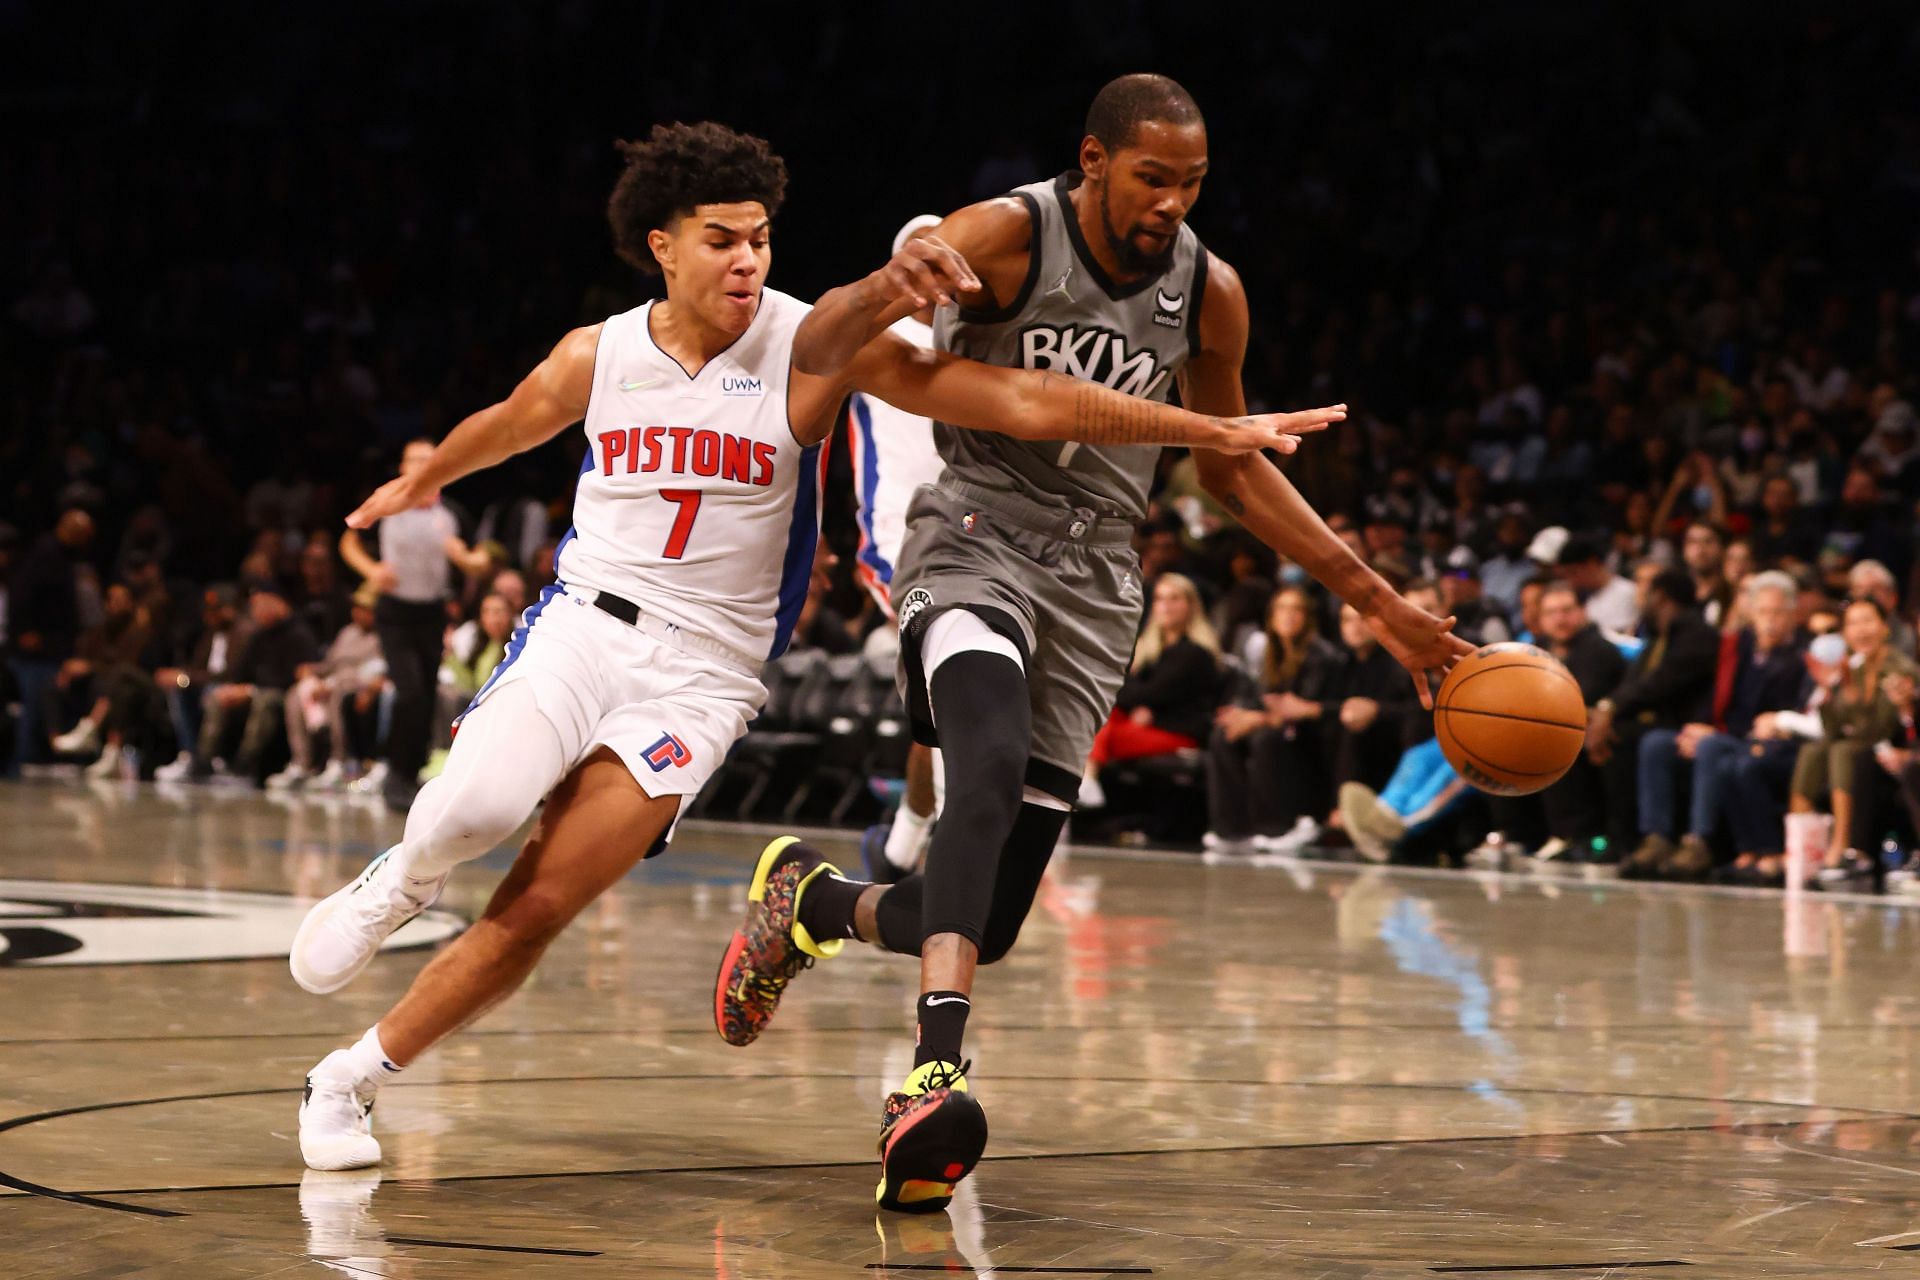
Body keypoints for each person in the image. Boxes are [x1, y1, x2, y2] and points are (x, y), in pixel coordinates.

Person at [286, 120, 1311, 1178]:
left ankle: (349, 1077)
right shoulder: (602, 352)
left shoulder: (813, 343)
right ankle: (401, 877)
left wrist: (1199, 429)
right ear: (661, 246)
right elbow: (507, 422)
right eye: (721, 240)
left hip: (705, 675)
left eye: (762, 239)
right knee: (476, 809)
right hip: (586, 622)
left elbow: (1012, 397)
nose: (747, 261)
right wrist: (425, 480)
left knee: (544, 899)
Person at [710, 75, 1467, 1215]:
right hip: (973, 533)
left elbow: (1231, 466)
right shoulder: (1009, 233)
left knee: (986, 917)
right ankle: (934, 1074)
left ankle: (812, 904)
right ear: (1095, 160)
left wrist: (1378, 598)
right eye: (1152, 177)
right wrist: (879, 289)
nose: (1171, 202)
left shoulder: (1210, 293)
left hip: (1102, 575)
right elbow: (823, 349)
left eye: (1193, 182)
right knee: (989, 760)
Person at [852, 215, 952, 888]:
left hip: (986, 537)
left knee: (944, 706)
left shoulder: (989, 341)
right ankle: (948, 857)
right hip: (901, 543)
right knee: (958, 691)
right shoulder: (875, 338)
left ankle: (906, 839)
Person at [339, 439, 493, 813]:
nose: (423, 466)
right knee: (408, 693)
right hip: (395, 613)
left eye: (430, 460)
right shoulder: (388, 504)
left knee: (425, 697)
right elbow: (348, 539)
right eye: (416, 461)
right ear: (403, 466)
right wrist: (372, 570)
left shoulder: (451, 511)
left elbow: (482, 559)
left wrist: (466, 559)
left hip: (432, 612)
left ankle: (411, 773)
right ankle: (394, 772)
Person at [1628, 571, 1806, 880]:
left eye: (1778, 612)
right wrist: (1696, 726)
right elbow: (1713, 695)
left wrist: (1715, 733)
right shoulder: (1737, 647)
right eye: (1763, 611)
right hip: (1721, 731)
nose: (1770, 620)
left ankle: (1699, 842)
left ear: (1792, 614)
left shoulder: (1800, 656)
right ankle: (1655, 837)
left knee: (1711, 747)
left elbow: (1788, 714)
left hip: (1763, 740)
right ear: (1750, 612)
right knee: (1656, 742)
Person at [1593, 568, 1722, 876]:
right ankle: (1642, 840)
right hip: (1658, 726)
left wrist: (1610, 710)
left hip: (1685, 726)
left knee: (1625, 738)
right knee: (1604, 732)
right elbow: (1632, 684)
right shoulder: (1658, 638)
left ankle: (1632, 839)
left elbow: (1659, 685)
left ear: (1660, 596)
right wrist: (1605, 712)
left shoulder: (1697, 634)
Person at [1204, 585, 1344, 855]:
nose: (1288, 616)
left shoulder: (1322, 657)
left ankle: (1278, 826)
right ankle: (1232, 829)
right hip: (1276, 729)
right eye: (1282, 608)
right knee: (1223, 736)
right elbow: (1256, 698)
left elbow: (1298, 710)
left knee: (1266, 738)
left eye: (1296, 609)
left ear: (1308, 617)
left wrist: (1259, 718)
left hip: (1312, 738)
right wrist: (1242, 714)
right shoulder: (1267, 654)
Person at [1789, 597, 1920, 884]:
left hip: (1884, 755)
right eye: (1853, 623)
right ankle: (1801, 845)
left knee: (1844, 751)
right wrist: (1826, 691)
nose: (1861, 630)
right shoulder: (1851, 668)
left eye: (1867, 621)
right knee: (1814, 751)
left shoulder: (1899, 667)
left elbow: (1880, 730)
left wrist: (1851, 697)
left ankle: (1844, 845)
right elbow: (1832, 729)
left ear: (1884, 627)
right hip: (1858, 750)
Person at [1081, 571, 1221, 804]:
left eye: (1174, 598)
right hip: (1147, 724)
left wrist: (1146, 708)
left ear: (1190, 605)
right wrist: (1138, 704)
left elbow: (1146, 691)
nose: (1165, 606)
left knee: (1097, 730)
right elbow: (1129, 690)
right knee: (1101, 715)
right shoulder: (1148, 649)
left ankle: (1088, 779)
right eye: (1160, 598)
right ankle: (1088, 781)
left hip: (1179, 731)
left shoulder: (1194, 653)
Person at [268, 583, 388, 791]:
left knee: (337, 693)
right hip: (332, 680)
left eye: (365, 609)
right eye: (356, 608)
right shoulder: (347, 633)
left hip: (354, 685)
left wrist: (333, 684)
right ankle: (301, 763)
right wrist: (311, 670)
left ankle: (338, 762)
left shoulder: (383, 637)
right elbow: (330, 664)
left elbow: (377, 671)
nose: (358, 613)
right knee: (295, 693)